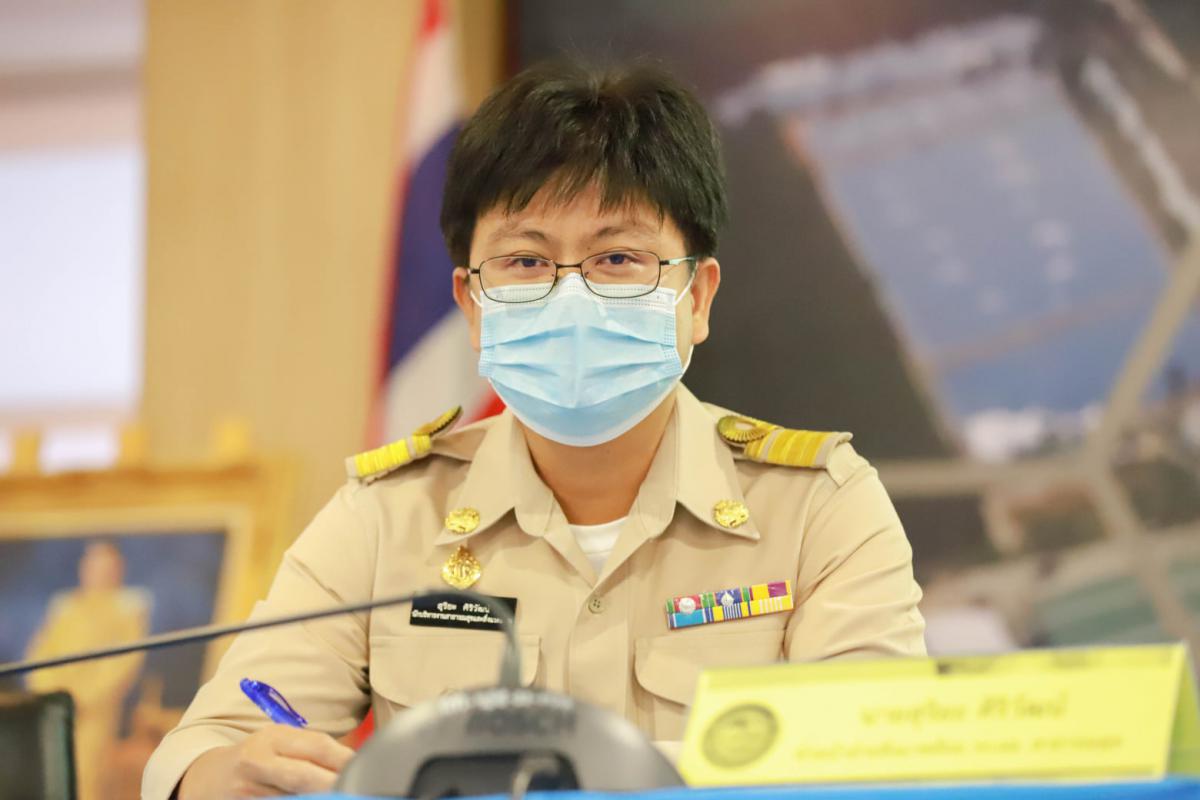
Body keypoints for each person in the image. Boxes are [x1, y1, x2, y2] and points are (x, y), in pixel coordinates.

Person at [143, 59, 926, 799]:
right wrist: (225, 772)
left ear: (697, 298)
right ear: (470, 304)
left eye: (618, 258)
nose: (570, 296)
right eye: (525, 262)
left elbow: (879, 768)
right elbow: (210, 743)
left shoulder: (820, 508)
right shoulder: (388, 514)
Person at [28, 539, 150, 800]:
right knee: (45, 770)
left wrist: (83, 696)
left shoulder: (126, 609)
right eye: (92, 565)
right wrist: (49, 691)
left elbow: (123, 661)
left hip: (94, 711)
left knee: (84, 775)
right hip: (55, 703)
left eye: (105, 567)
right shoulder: (66, 607)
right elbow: (41, 651)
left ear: (117, 570)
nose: (97, 572)